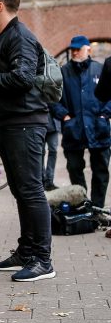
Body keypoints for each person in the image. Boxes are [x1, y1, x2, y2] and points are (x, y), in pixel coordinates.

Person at [0, 0, 56, 282]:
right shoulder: (5, 37)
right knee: (21, 191)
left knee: (31, 190)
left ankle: (43, 260)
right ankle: (27, 251)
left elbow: (23, 77)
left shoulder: (19, 36)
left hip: (26, 124)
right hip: (12, 124)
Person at [52, 36, 111, 209]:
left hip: (98, 128)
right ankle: (84, 205)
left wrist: (105, 115)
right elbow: (53, 98)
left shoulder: (100, 69)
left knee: (101, 172)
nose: (75, 52)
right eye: (73, 49)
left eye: (79, 49)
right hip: (74, 131)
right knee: (74, 169)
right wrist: (64, 116)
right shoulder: (63, 72)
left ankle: (97, 208)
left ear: (89, 50)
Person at [43, 109, 61, 191]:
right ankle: (42, 180)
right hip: (39, 124)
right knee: (40, 153)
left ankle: (49, 181)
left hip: (53, 124)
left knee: (53, 151)